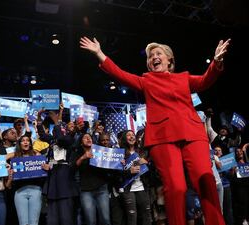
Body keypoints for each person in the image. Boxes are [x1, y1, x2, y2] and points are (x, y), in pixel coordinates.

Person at [80, 36, 230, 225]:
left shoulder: (183, 78)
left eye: (158, 54)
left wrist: (216, 61)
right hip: (162, 138)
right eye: (151, 56)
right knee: (176, 188)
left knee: (205, 181)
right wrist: (99, 53)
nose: (154, 57)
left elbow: (205, 81)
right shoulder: (147, 81)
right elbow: (119, 74)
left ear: (169, 60)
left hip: (192, 133)